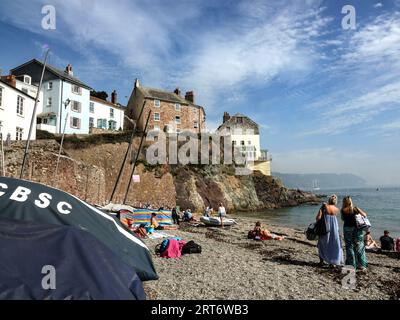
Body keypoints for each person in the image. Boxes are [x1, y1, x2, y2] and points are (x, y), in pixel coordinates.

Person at [341, 196, 368, 271]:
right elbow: (365, 215)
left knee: (349, 247)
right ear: (350, 201)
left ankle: (351, 265)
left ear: (344, 202)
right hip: (357, 229)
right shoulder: (355, 209)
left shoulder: (343, 210)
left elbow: (343, 219)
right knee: (359, 246)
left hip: (347, 229)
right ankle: (362, 265)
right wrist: (359, 209)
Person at [316, 195, 343, 268]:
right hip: (334, 227)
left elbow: (318, 218)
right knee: (333, 244)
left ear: (329, 200)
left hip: (325, 227)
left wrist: (321, 208)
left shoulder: (325, 207)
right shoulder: (337, 209)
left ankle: (321, 262)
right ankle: (333, 261)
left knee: (322, 243)